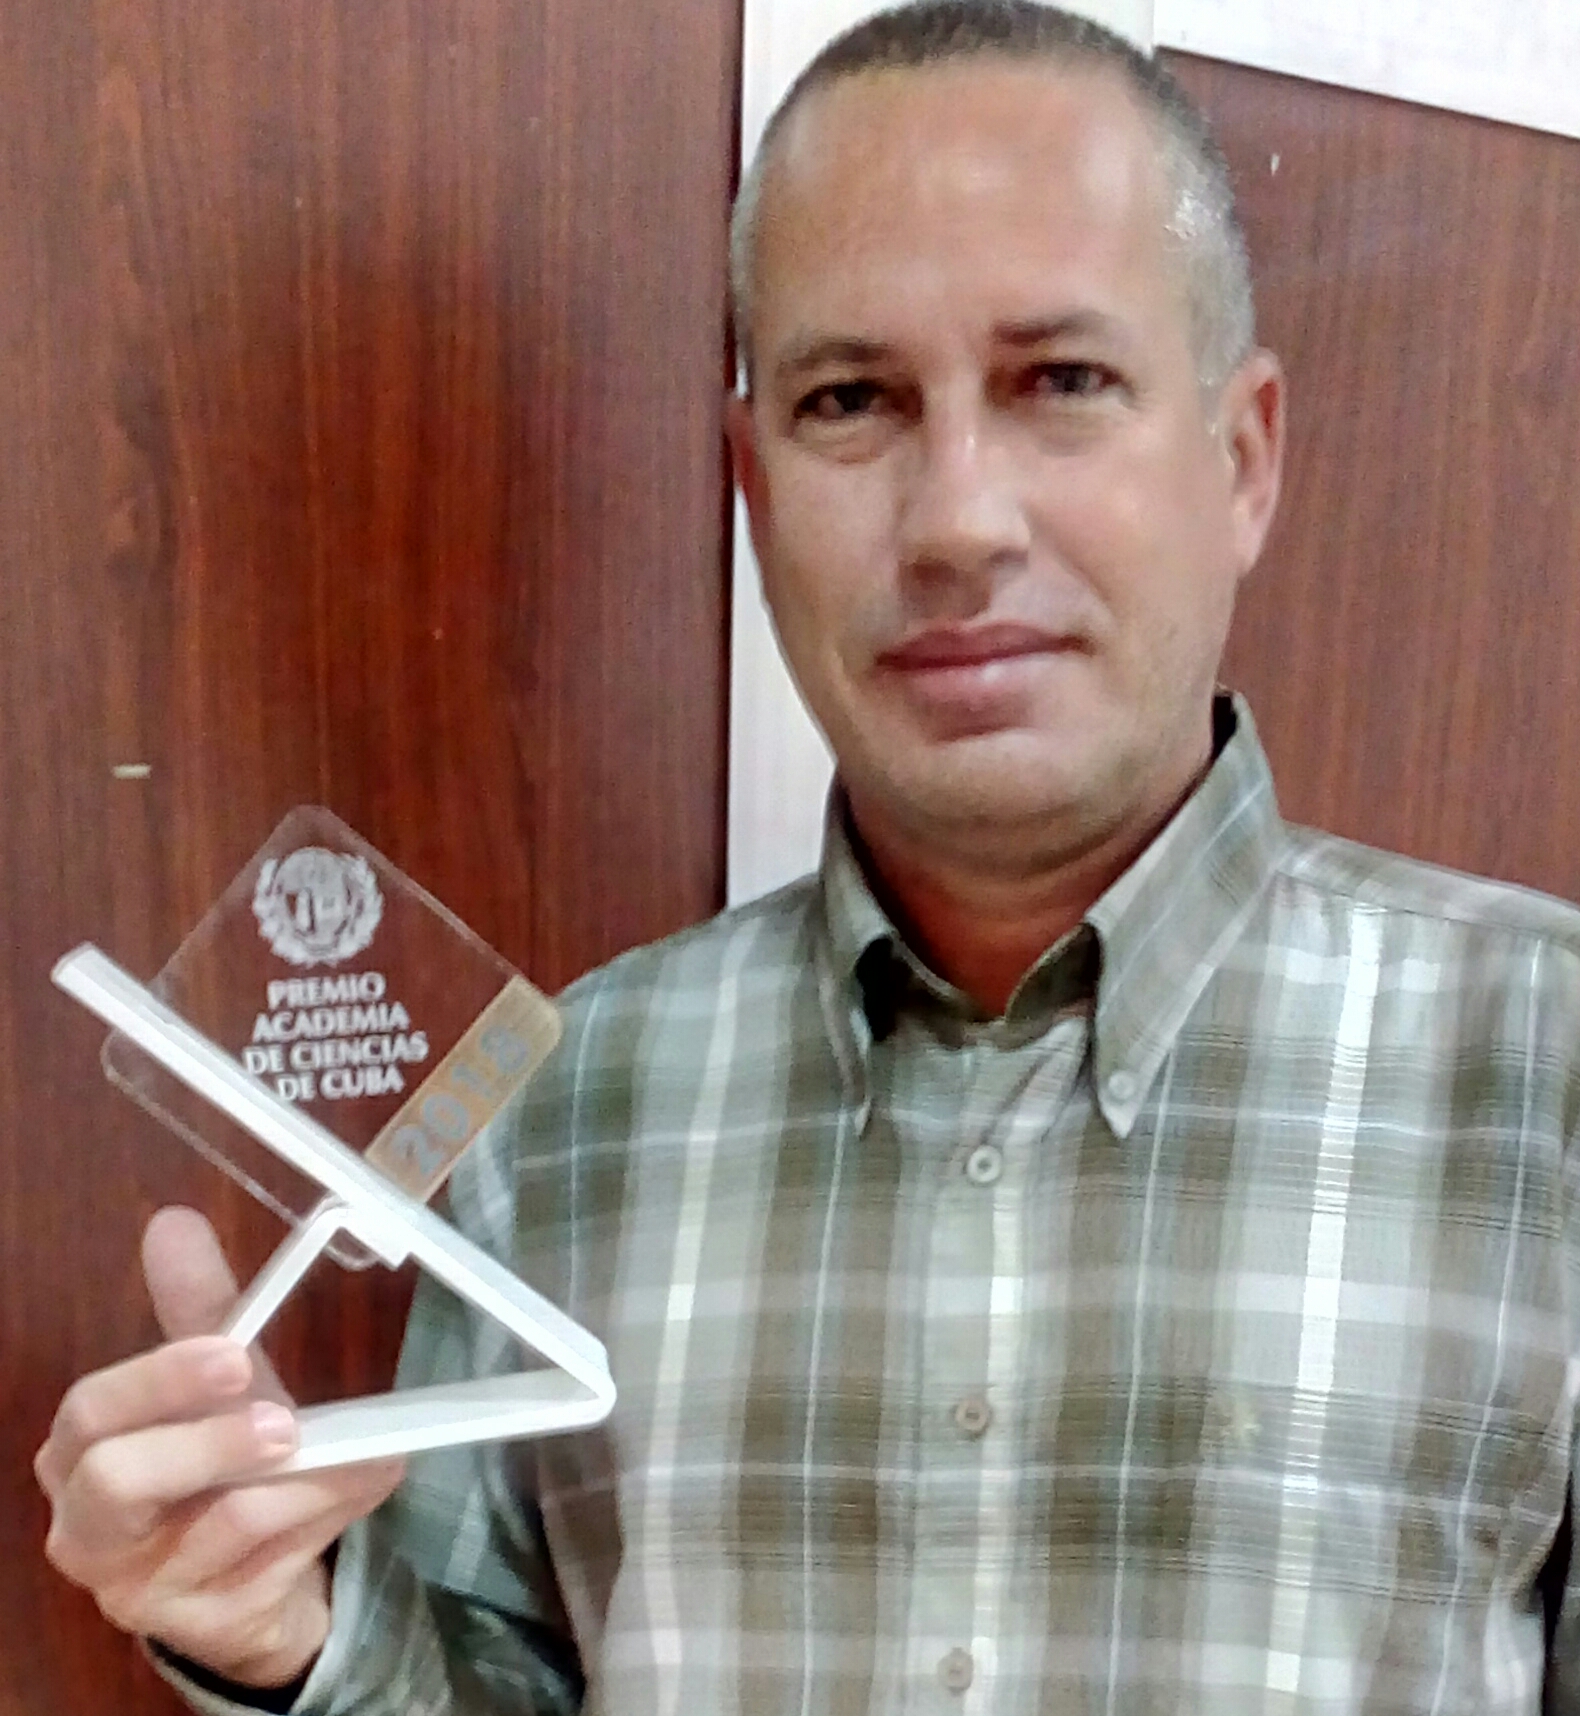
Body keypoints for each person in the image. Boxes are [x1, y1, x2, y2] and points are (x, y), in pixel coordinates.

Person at [34, 3, 1580, 1711]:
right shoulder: (559, 1106)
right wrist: (283, 1638)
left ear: (1242, 457)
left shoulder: (1546, 1069)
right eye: (852, 400)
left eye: (1061, 382)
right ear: (755, 489)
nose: (959, 520)